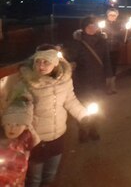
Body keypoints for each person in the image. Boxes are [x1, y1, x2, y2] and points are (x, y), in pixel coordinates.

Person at [13, 45, 89, 187]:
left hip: (58, 135)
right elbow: (20, 109)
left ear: (55, 63)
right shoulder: (26, 83)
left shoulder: (64, 81)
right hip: (36, 138)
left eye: (46, 61)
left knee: (50, 174)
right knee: (34, 178)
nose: (40, 65)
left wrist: (84, 116)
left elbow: (70, 101)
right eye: (38, 61)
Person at [69, 16, 112, 142]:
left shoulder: (102, 41)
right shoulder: (77, 42)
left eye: (94, 26)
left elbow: (107, 59)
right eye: (89, 26)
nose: (92, 29)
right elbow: (71, 58)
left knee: (97, 106)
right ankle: (82, 130)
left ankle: (94, 129)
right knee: (82, 107)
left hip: (98, 80)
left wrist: (110, 76)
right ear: (84, 28)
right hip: (82, 81)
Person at [0, 101, 39, 187]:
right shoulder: (2, 144)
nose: (12, 128)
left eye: (18, 124)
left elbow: (36, 141)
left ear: (26, 126)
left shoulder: (26, 139)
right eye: (8, 124)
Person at [102, 8, 123, 94]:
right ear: (107, 15)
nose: (112, 17)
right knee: (107, 67)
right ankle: (107, 86)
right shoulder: (103, 24)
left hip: (115, 48)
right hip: (105, 49)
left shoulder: (119, 24)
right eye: (110, 15)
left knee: (114, 66)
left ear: (117, 16)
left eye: (114, 15)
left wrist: (124, 36)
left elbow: (122, 36)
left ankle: (113, 85)